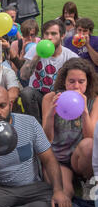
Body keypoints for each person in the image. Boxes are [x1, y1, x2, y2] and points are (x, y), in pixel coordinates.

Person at [42, 58, 98, 199]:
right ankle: (69, 182)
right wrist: (50, 115)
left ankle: (86, 180)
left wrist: (85, 111)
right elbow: (46, 138)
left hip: (78, 157)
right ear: (64, 82)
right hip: (58, 158)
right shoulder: (50, 98)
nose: (76, 86)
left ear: (88, 82)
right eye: (71, 81)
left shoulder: (94, 101)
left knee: (89, 145)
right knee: (66, 194)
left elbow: (90, 138)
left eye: (81, 81)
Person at [20, 20, 78, 123]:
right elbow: (23, 76)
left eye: (54, 34)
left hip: (58, 97)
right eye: (46, 34)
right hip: (38, 94)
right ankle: (36, 127)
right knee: (26, 92)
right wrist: (37, 56)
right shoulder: (35, 49)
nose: (49, 37)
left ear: (62, 35)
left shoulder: (70, 57)